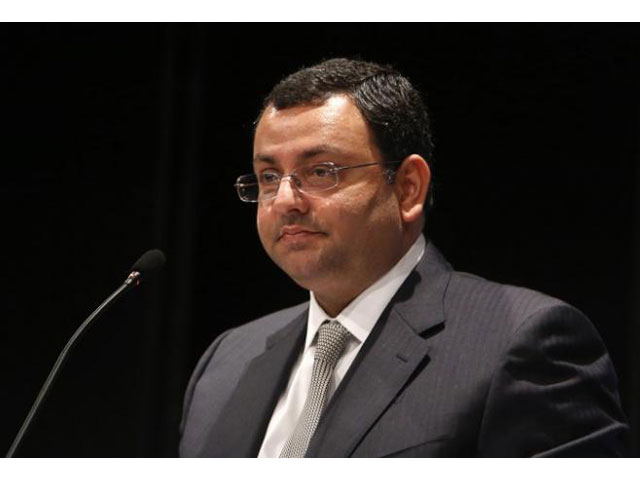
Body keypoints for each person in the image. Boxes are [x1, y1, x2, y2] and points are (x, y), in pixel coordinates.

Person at [179, 58, 630, 457]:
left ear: (408, 187)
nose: (285, 201)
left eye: (321, 172)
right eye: (269, 176)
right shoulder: (227, 361)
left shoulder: (522, 343)